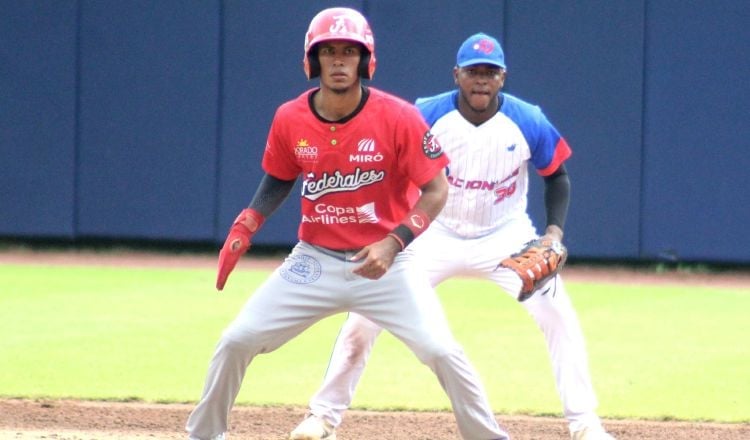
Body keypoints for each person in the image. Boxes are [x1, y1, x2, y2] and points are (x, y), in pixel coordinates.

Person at [185, 10, 510, 440]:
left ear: (365, 61)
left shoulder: (398, 117)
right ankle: (204, 436)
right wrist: (248, 222)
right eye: (329, 52)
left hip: (387, 265)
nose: (339, 61)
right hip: (313, 262)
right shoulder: (289, 117)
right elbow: (280, 176)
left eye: (349, 52)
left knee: (442, 351)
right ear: (312, 61)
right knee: (236, 341)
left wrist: (393, 244)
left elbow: (436, 189)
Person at [290, 32, 616, 440]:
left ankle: (584, 423)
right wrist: (388, 230)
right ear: (456, 74)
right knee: (363, 318)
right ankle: (323, 417)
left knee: (559, 316)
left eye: (490, 72)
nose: (482, 80)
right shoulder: (425, 113)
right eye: (474, 72)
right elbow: (385, 164)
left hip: (506, 236)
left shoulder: (527, 119)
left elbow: (558, 176)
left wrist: (553, 232)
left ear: (502, 77)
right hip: (432, 234)